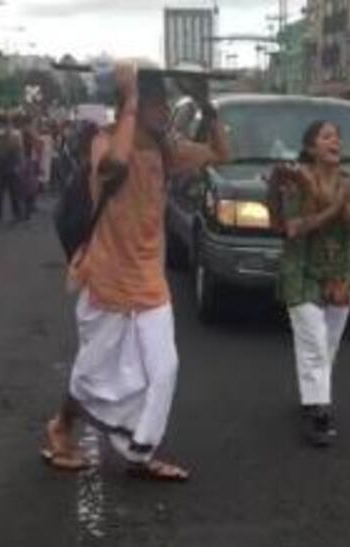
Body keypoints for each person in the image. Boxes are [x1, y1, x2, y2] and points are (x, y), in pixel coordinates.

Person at [40, 64, 229, 478]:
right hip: (106, 277)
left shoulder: (166, 149)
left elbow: (220, 154)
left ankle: (140, 450)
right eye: (155, 102)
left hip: (150, 279)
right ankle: (61, 426)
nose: (165, 110)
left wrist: (206, 105)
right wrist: (128, 101)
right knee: (92, 375)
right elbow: (115, 164)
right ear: (135, 105)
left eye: (165, 101)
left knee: (163, 369)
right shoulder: (106, 140)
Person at [267, 121, 350, 447]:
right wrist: (332, 208)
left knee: (328, 346)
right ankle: (318, 414)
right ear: (312, 148)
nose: (335, 141)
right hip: (301, 270)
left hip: (340, 273)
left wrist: (346, 212)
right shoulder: (296, 181)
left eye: (337, 136)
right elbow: (293, 229)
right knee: (313, 340)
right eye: (327, 136)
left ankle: (311, 399)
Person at [0, 113, 25, 223]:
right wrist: (20, 166)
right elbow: (20, 152)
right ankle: (16, 214)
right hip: (8, 167)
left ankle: (0, 214)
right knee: (12, 193)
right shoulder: (15, 135)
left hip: (1, 167)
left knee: (1, 193)